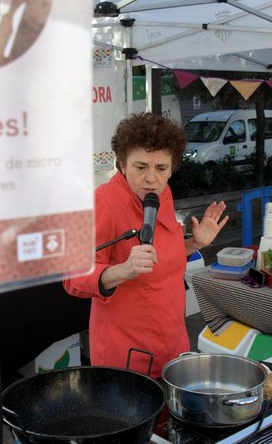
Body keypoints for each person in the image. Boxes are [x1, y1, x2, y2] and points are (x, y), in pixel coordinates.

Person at [63, 112, 229, 378]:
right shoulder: (103, 202)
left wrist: (194, 243)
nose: (152, 178)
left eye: (161, 168)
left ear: (172, 167)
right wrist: (122, 270)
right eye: (141, 167)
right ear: (122, 164)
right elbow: (72, 276)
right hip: (127, 354)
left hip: (172, 343)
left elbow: (159, 258)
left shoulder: (163, 194)